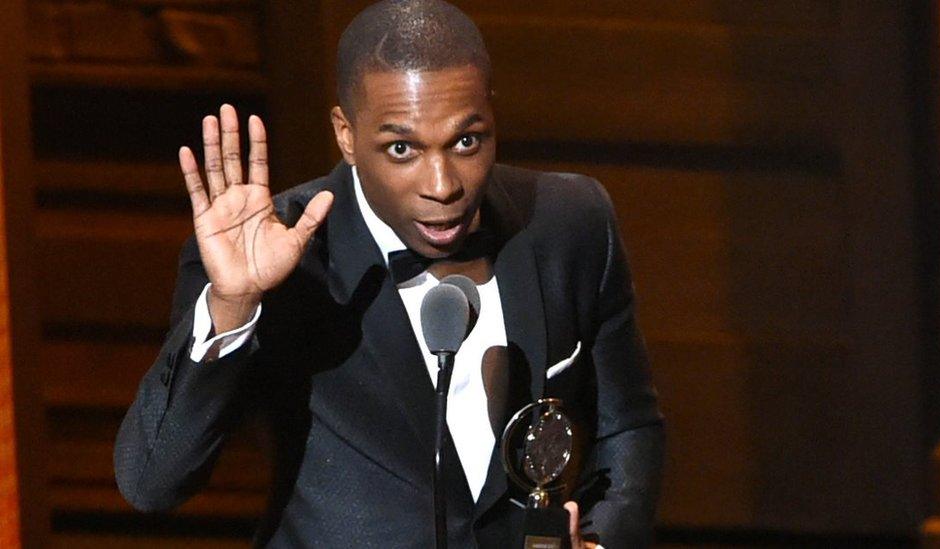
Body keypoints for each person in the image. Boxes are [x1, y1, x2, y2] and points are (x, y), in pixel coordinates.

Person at [114, 0, 664, 546]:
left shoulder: (569, 222)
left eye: (466, 141)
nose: (443, 184)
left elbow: (628, 427)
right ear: (346, 134)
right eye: (402, 148)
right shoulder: (275, 256)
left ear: (491, 114)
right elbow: (152, 483)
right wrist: (234, 305)